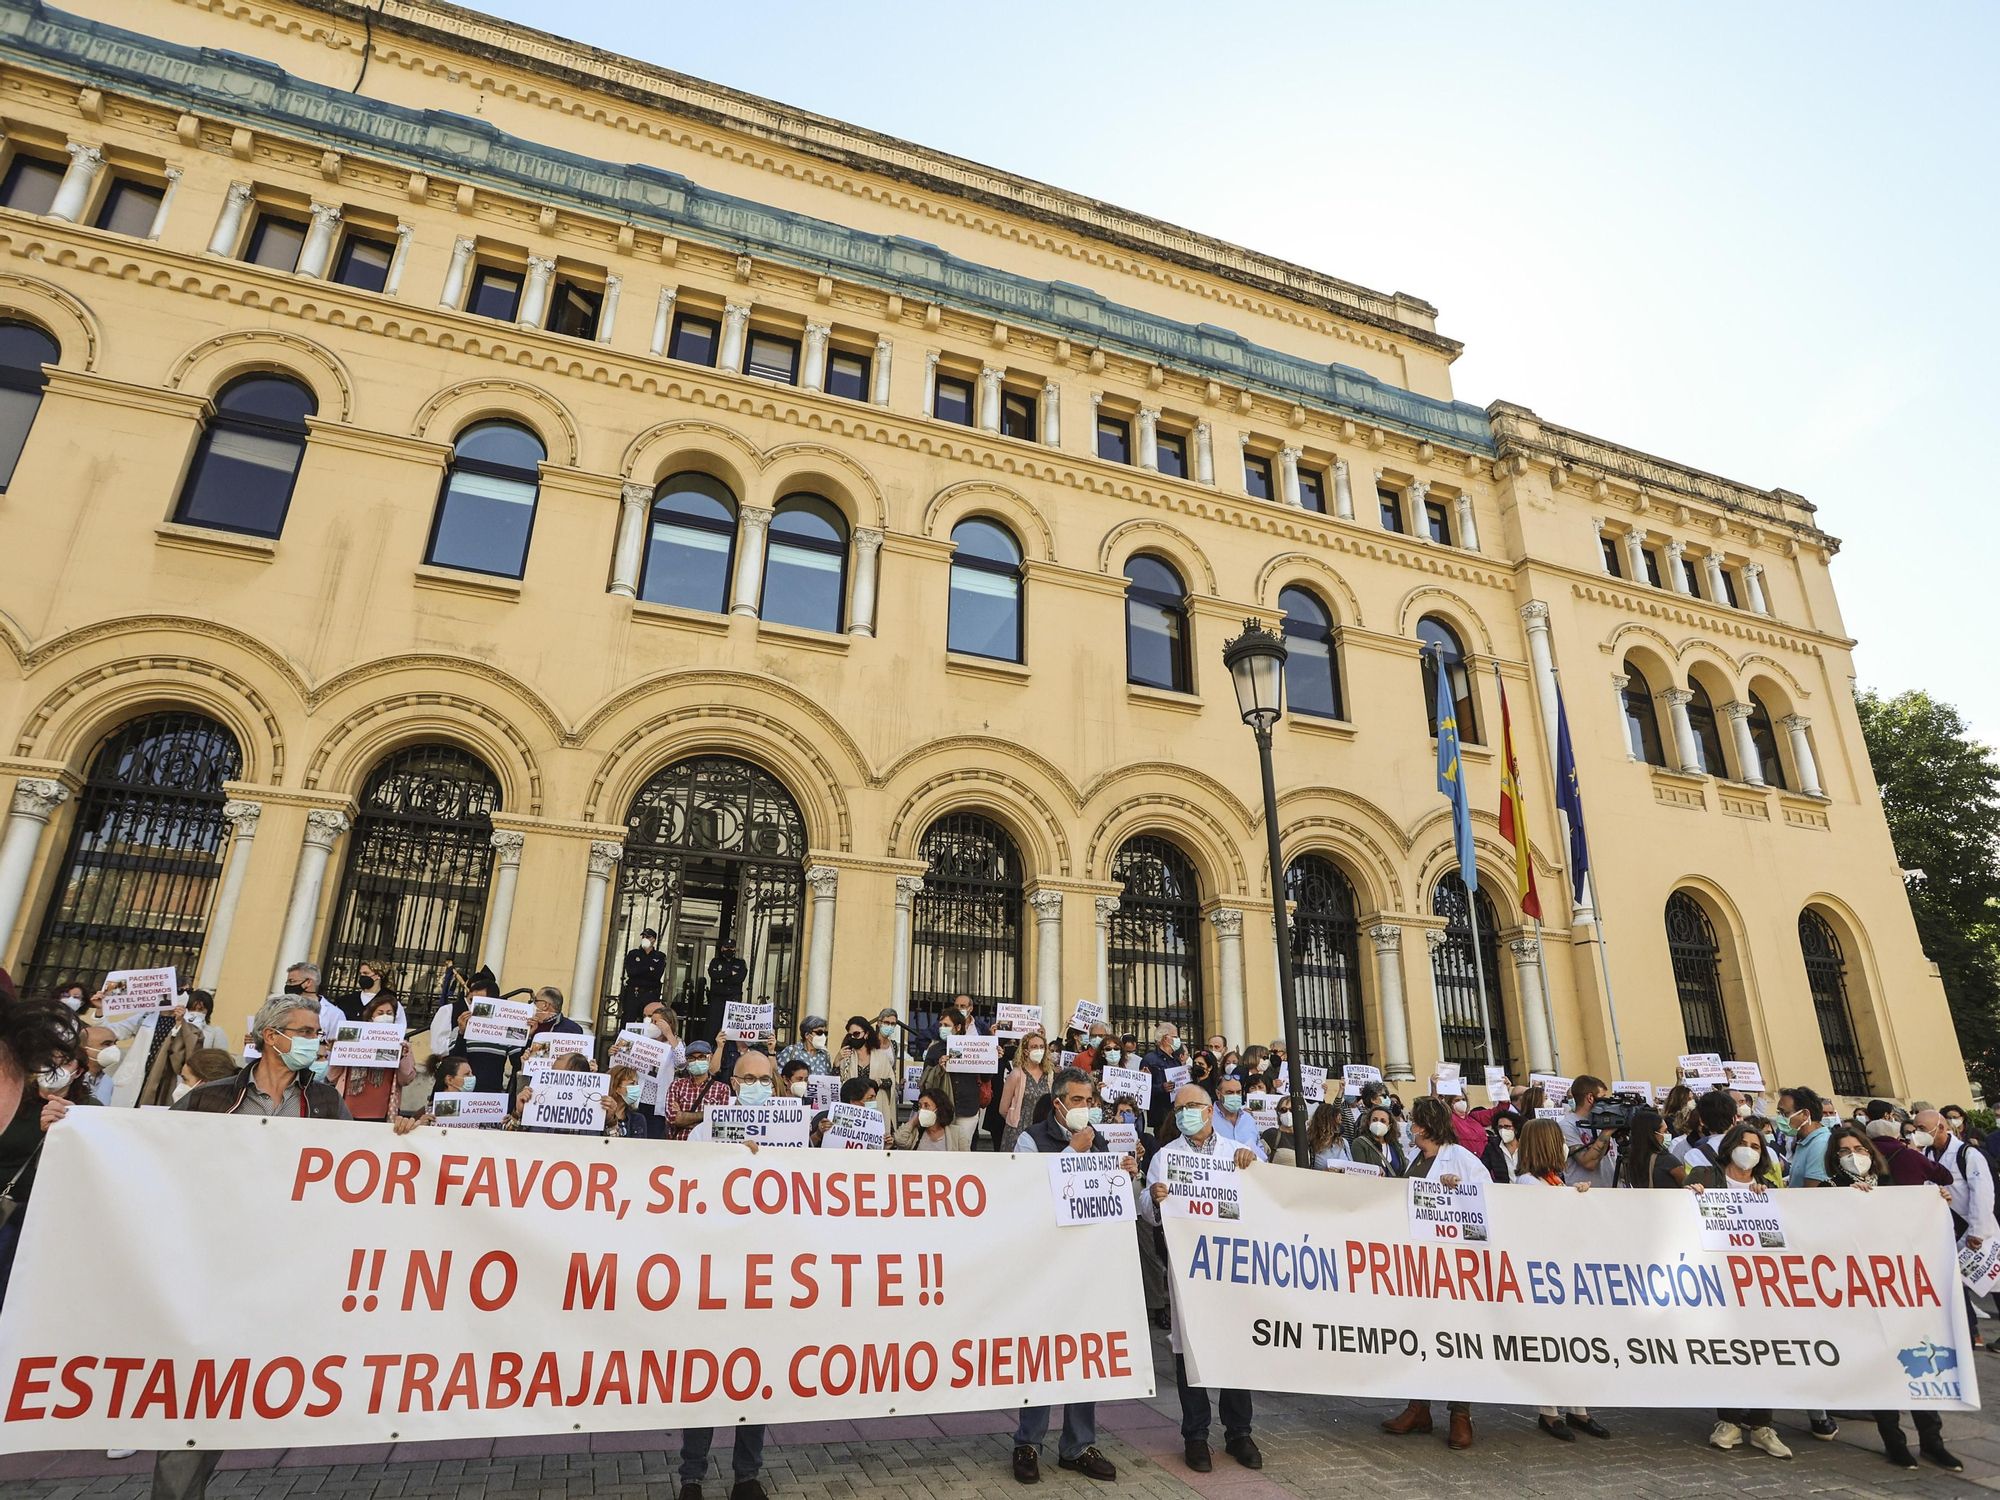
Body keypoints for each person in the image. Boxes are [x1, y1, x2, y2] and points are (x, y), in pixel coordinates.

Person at [1007, 1067, 1129, 1483]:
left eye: (1090, 1101)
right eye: (1077, 1100)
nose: (1085, 1108)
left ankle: (1077, 1446)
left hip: (1086, 1268)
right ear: (1058, 1102)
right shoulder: (1030, 1139)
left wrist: (1124, 1174)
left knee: (1083, 1352)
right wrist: (1073, 1153)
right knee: (1043, 1354)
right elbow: (1025, 1194)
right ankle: (1028, 1442)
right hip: (1044, 1267)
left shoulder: (1100, 1141)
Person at [1817, 1126, 1964, 1470]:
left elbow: (1918, 1229)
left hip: (1900, 1292)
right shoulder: (1828, 1191)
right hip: (1859, 1294)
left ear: (1872, 1151)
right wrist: (1847, 1201)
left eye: (1859, 1147)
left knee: (1918, 1365)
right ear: (1834, 1158)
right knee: (1881, 1368)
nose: (1854, 1154)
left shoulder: (1894, 1189)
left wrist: (1934, 1205)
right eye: (1844, 1150)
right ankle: (1893, 1441)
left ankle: (1932, 1441)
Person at [1142, 1084, 1261, 1472]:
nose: (1183, 1114)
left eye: (1190, 1107)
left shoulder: (1236, 1154)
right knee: (1188, 1346)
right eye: (1178, 1109)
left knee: (1234, 1345)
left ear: (1209, 1111)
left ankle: (1239, 1432)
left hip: (1231, 1266)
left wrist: (1253, 1165)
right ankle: (1195, 1435)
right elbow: (1146, 1209)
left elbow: (1262, 1198)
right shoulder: (1165, 1156)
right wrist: (1154, 1196)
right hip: (1188, 1265)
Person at [676, 1046, 773, 1500]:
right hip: (713, 1273)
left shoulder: (791, 1133)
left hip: (767, 1274)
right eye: (748, 1079)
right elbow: (688, 1193)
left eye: (764, 1080)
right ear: (733, 1084)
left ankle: (746, 1476)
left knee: (755, 1378)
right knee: (703, 1378)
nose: (757, 1086)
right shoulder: (705, 1133)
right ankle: (692, 1477)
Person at [1382, 1096, 1492, 1449]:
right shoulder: (1418, 1158)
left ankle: (1461, 1414)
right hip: (1420, 1263)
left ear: (1426, 1126)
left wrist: (1460, 1190)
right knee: (1420, 1334)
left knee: (1456, 1339)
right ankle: (1419, 1408)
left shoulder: (1460, 1159)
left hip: (1454, 1266)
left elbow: (1488, 1201)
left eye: (1415, 1121)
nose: (1410, 1125)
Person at [1684, 1121, 1791, 1459]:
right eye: (1744, 1143)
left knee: (1763, 1351)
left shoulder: (1766, 1186)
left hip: (1758, 1282)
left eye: (1757, 1146)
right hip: (1716, 1280)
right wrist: (1689, 1197)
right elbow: (1675, 1219)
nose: (1749, 1150)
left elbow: (1781, 1236)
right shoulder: (1703, 1175)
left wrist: (1770, 1201)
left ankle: (1761, 1426)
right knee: (1726, 1350)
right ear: (1729, 1145)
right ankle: (1728, 1421)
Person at [1509, 1119, 1606, 1442]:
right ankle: (1549, 1412)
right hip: (1545, 1276)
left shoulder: (1551, 1180)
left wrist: (1577, 1197)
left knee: (1573, 1341)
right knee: (1552, 1344)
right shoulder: (1528, 1183)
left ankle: (1579, 1410)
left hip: (1565, 1273)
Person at [1917, 1105, 1996, 1352]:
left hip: (1973, 1232)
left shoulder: (1967, 1155)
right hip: (1947, 1231)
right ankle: (1969, 1334)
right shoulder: (1925, 1155)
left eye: (1921, 1128)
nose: (1916, 1133)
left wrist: (1978, 1231)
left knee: (1993, 1284)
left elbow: (1983, 1194)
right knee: (1956, 1286)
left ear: (1940, 1127)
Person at [325, 994, 416, 1122]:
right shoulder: (351, 1041)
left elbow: (405, 1080)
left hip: (381, 1113)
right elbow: (332, 1077)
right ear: (370, 1018)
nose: (385, 1017)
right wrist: (336, 1053)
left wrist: (402, 1058)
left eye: (389, 1013)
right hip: (347, 1110)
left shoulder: (402, 1045)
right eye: (380, 1013)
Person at [924, 1013, 983, 1151]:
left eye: (946, 1025)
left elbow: (985, 1078)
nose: (942, 1028)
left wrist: (993, 1058)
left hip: (967, 1107)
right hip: (942, 1108)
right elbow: (925, 1081)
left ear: (958, 1027)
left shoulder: (973, 1047)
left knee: (962, 1148)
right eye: (941, 1025)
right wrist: (939, 1069)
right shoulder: (934, 1050)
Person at [998, 1028, 1053, 1153]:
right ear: (1026, 1050)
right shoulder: (1017, 1074)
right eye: (1034, 1046)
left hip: (1043, 1129)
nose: (1038, 1050)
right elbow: (1003, 1108)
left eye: (1041, 1046)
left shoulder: (1048, 1074)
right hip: (1019, 1129)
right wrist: (1016, 1119)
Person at [663, 1041, 732, 1140]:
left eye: (701, 1057)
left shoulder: (722, 1089)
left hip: (706, 1147)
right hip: (679, 1145)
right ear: (687, 1061)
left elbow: (719, 1125)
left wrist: (683, 1119)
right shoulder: (676, 1085)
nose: (697, 1061)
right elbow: (671, 1118)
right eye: (692, 1058)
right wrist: (707, 1115)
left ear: (710, 1058)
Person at [1557, 1075, 1617, 1187]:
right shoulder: (1567, 1125)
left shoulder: (1604, 1122)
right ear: (1590, 1098)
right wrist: (1606, 1133)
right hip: (1586, 1194)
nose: (1606, 1102)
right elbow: (1589, 1163)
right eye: (1603, 1097)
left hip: (1613, 1192)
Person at [1617, 1108, 1682, 1188]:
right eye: (1665, 1131)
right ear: (1653, 1135)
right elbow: (1686, 1183)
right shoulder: (1667, 1161)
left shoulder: (1630, 1160)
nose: (1668, 1134)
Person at [1782, 1085, 1833, 1187]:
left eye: (1785, 1113)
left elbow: (1813, 1192)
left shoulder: (1821, 1144)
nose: (1780, 1118)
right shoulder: (1805, 1141)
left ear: (1805, 1114)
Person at [1209, 1074, 1265, 1156]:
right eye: (1230, 1092)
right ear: (1218, 1094)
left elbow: (1260, 1151)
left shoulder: (1248, 1119)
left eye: (1238, 1092)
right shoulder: (1208, 1118)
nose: (1235, 1096)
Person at [1349, 1103, 1407, 1175]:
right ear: (1369, 1122)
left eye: (1383, 1121)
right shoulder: (1360, 1143)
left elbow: (1403, 1170)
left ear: (1389, 1126)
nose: (1378, 1124)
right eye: (1374, 1120)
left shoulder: (1395, 1145)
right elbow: (1361, 1171)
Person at [893, 1088, 960, 1150]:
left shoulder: (957, 1133)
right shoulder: (916, 1133)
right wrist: (914, 1120)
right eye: (920, 1106)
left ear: (939, 1108)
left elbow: (965, 1159)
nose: (922, 1110)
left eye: (926, 1106)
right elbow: (899, 1140)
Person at [619, 928, 667, 1016]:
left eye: (648, 937)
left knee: (647, 1020)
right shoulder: (633, 954)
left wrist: (639, 969)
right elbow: (631, 972)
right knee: (628, 1020)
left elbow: (656, 975)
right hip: (633, 993)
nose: (645, 939)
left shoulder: (659, 956)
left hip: (649, 994)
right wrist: (649, 968)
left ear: (654, 940)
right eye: (643, 937)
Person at [602, 1065, 649, 1138]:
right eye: (632, 1083)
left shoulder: (638, 1119)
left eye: (637, 1084)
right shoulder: (598, 1116)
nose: (636, 1087)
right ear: (616, 1087)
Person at [705, 937, 746, 1014]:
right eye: (726, 947)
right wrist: (730, 973)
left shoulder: (740, 963)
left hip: (733, 1000)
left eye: (731, 947)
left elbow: (739, 978)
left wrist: (722, 980)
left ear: (735, 949)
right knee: (715, 1024)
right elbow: (713, 975)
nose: (729, 949)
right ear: (722, 949)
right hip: (717, 1000)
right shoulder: (715, 962)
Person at [1483, 1106, 1523, 1183]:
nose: (1503, 1130)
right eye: (1500, 1127)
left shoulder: (1527, 1147)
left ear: (1516, 1128)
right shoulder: (1492, 1148)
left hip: (1528, 1190)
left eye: (1507, 1127)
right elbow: (1482, 1168)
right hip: (1504, 1191)